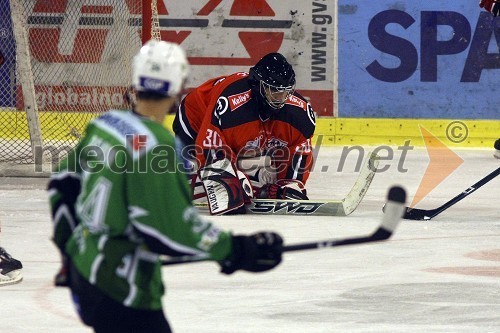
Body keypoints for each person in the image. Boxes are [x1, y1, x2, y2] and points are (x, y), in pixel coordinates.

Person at [48, 40, 283, 333]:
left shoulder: (105, 124)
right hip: (123, 288)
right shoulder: (159, 147)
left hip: (84, 271)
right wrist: (236, 249)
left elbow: (60, 184)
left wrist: (69, 251)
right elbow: (168, 230)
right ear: (177, 88)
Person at [173, 53, 316, 215]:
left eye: (285, 91)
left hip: (235, 133)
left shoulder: (300, 114)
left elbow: (299, 150)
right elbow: (209, 148)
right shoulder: (231, 106)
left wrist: (291, 183)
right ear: (258, 85)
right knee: (215, 187)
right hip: (195, 119)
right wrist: (231, 179)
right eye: (275, 91)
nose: (281, 98)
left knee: (245, 184)